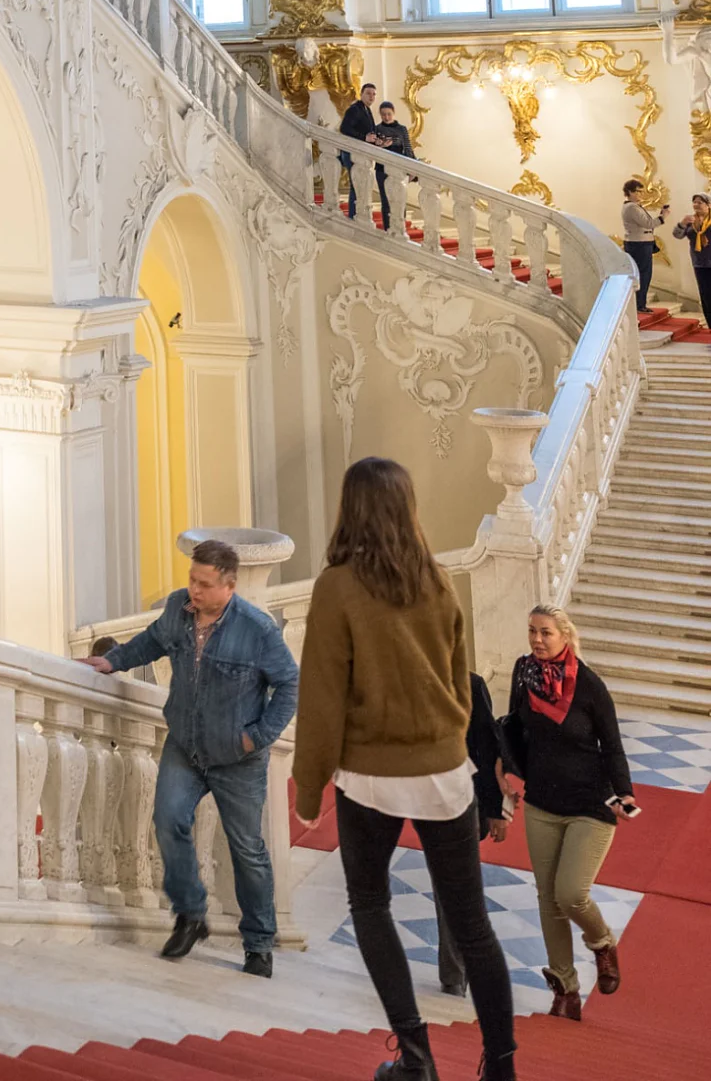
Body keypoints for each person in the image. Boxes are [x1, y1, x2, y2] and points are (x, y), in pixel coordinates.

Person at [292, 457, 515, 1081]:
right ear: (407, 508)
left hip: (371, 775)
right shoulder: (438, 580)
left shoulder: (336, 586)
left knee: (369, 903)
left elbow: (322, 697)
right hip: (447, 769)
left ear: (350, 507)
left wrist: (309, 787)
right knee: (474, 926)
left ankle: (415, 1060)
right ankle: (501, 1067)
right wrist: (447, 739)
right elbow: (461, 683)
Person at [86, 538, 298, 979]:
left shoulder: (257, 629)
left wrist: (255, 738)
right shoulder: (178, 610)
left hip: (237, 758)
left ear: (229, 586)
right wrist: (113, 661)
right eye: (191, 580)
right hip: (185, 744)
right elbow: (150, 642)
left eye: (204, 584)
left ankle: (259, 944)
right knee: (167, 821)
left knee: (247, 851)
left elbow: (289, 686)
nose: (194, 591)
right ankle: (190, 914)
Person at [501, 604, 635, 1021]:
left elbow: (612, 745)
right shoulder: (524, 673)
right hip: (542, 802)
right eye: (532, 631)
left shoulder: (589, 686)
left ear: (565, 635)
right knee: (548, 899)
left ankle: (602, 944)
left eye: (546, 633)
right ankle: (565, 988)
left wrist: (625, 793)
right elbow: (512, 730)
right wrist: (502, 778)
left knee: (570, 893)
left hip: (590, 804)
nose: (537, 640)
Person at [430, 672, 509, 998]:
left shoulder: (471, 685)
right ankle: (456, 973)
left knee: (455, 887)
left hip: (465, 802)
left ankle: (457, 974)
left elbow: (487, 749)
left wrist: (495, 810)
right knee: (447, 887)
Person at [368, 99, 415, 234]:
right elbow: (371, 148)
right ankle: (388, 229)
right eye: (383, 114)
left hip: (399, 168)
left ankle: (400, 229)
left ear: (393, 113)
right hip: (382, 169)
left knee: (400, 199)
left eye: (389, 114)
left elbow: (407, 148)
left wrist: (412, 168)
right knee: (385, 199)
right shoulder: (376, 129)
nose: (386, 117)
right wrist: (379, 144)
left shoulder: (402, 129)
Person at [620, 175, 665, 310]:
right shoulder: (632, 208)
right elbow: (648, 223)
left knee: (644, 274)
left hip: (641, 243)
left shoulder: (634, 206)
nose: (640, 194)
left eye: (641, 191)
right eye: (637, 191)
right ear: (628, 192)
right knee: (643, 274)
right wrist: (663, 217)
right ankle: (640, 304)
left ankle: (640, 303)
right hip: (639, 244)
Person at [339, 81, 378, 220]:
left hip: (361, 154)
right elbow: (344, 128)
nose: (371, 97)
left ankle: (356, 216)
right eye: (368, 93)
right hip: (352, 154)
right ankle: (353, 217)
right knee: (357, 185)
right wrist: (364, 137)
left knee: (360, 186)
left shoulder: (367, 110)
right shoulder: (355, 109)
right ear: (361, 94)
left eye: (374, 94)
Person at [673, 192, 711, 330]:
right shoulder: (690, 221)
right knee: (706, 296)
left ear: (708, 205)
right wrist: (682, 223)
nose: (696, 205)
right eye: (694, 202)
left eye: (700, 202)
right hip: (699, 263)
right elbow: (677, 235)